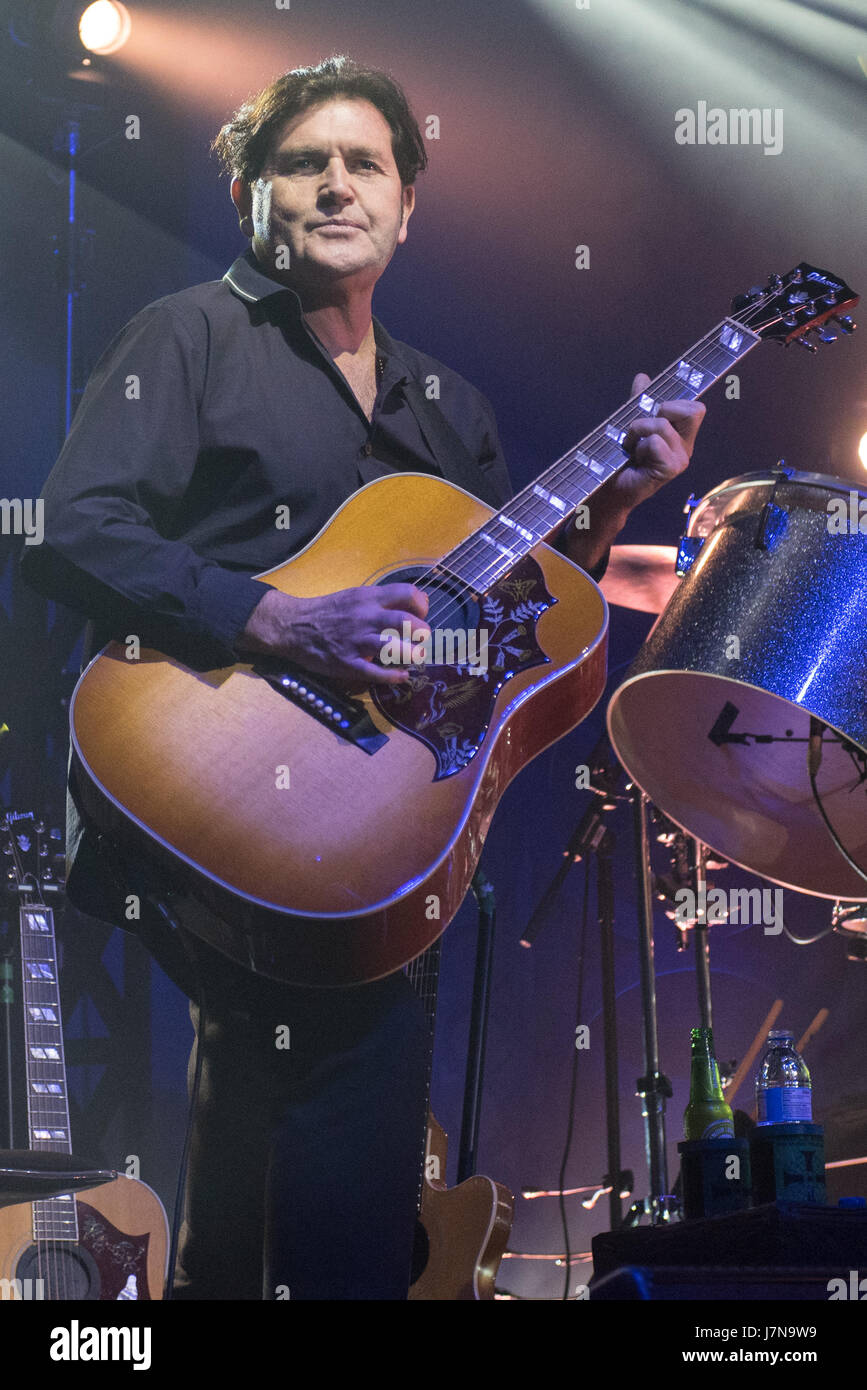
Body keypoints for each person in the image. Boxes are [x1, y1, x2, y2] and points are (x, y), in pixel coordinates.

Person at [21, 55, 706, 1299]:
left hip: (380, 818)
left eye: (365, 164)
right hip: (208, 777)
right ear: (248, 192)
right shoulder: (189, 336)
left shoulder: (449, 408)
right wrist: (283, 622)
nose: (335, 184)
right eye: (301, 162)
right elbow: (76, 529)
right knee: (339, 1123)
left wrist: (620, 496)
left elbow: (512, 613)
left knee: (288, 1137)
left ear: (406, 209)